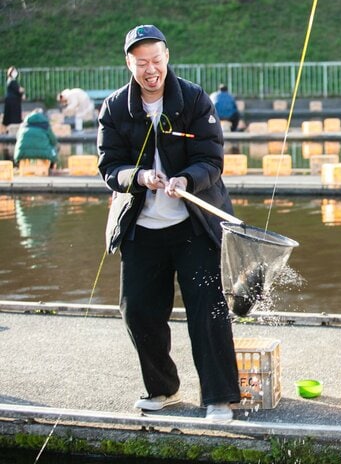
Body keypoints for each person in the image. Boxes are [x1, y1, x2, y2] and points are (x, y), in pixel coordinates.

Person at [97, 24, 240, 421]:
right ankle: (163, 388)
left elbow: (211, 160)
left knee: (207, 309)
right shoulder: (113, 108)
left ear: (167, 57)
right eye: (141, 63)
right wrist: (139, 177)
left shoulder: (194, 99)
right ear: (129, 64)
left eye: (156, 60)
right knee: (137, 310)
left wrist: (185, 179)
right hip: (142, 225)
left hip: (193, 223)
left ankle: (219, 397)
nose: (150, 70)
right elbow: (109, 167)